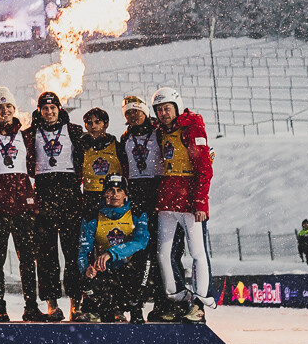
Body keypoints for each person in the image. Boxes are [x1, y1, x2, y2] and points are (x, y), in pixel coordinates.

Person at [0, 87, 42, 323]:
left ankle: (31, 307)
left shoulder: (25, 136)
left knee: (28, 260)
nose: (5, 111)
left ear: (15, 109)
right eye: (0, 107)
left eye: (8, 107)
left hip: (23, 206)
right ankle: (0, 308)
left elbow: (35, 167)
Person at [149, 86, 213, 322]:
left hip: (189, 201)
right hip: (167, 200)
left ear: (177, 107)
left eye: (167, 109)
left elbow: (204, 167)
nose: (163, 114)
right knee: (164, 253)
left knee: (197, 253)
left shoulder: (191, 128)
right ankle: (177, 299)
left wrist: (200, 201)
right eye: (159, 110)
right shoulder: (161, 130)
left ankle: (199, 304)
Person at [27, 90, 83, 321]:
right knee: (46, 253)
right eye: (45, 108)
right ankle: (52, 304)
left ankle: (76, 304)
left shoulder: (74, 131)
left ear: (59, 109)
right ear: (39, 111)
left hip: (69, 191)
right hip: (44, 191)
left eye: (53, 108)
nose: (49, 112)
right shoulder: (31, 133)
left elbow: (83, 159)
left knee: (73, 251)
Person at [75, 174, 151, 322]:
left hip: (128, 271)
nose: (115, 194)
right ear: (105, 193)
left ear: (125, 194)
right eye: (111, 190)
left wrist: (111, 253)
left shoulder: (137, 214)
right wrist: (86, 269)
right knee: (84, 272)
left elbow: (140, 242)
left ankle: (135, 308)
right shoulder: (93, 217)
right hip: (105, 271)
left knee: (146, 259)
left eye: (119, 190)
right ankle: (100, 309)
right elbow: (83, 251)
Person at [119, 95, 164, 321]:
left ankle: (163, 303)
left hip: (158, 191)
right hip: (136, 195)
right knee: (139, 253)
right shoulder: (125, 137)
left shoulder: (158, 132)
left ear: (145, 112)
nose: (133, 116)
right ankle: (136, 304)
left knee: (163, 253)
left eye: (136, 111)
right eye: (128, 113)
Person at [79, 108, 123, 216]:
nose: (93, 126)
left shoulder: (116, 146)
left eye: (97, 122)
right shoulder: (81, 147)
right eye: (89, 123)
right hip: (90, 197)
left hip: (113, 197)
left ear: (106, 124)